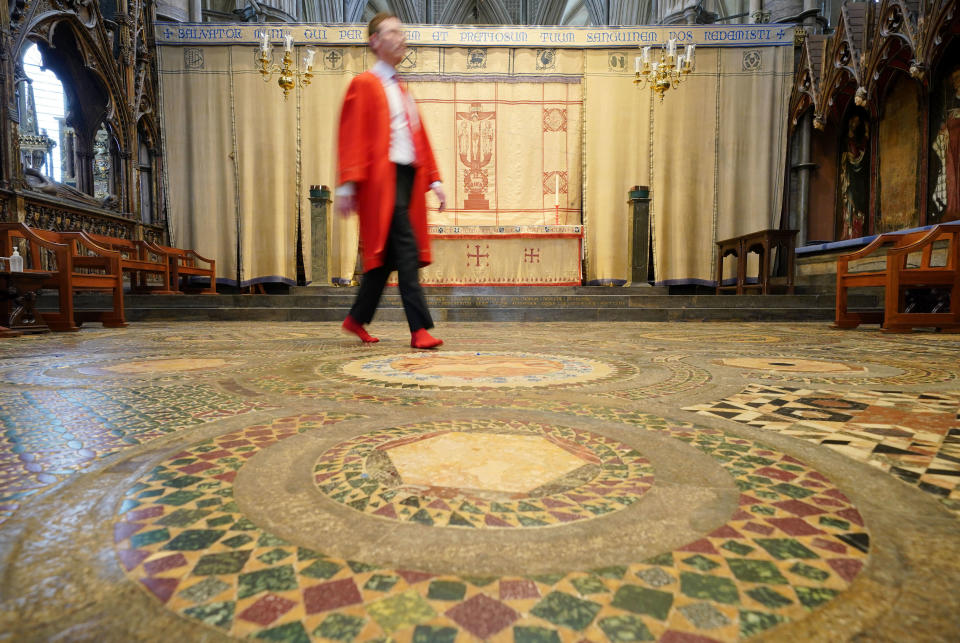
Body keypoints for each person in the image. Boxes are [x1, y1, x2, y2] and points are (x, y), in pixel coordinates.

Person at [335, 12, 446, 349]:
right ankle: (419, 329)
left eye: (402, 32)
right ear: (375, 41)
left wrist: (434, 180)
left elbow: (417, 136)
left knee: (384, 260)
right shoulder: (365, 83)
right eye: (393, 32)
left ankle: (356, 319)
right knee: (407, 251)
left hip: (407, 180)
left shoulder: (401, 88)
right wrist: (346, 184)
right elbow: (351, 135)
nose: (402, 37)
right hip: (383, 182)